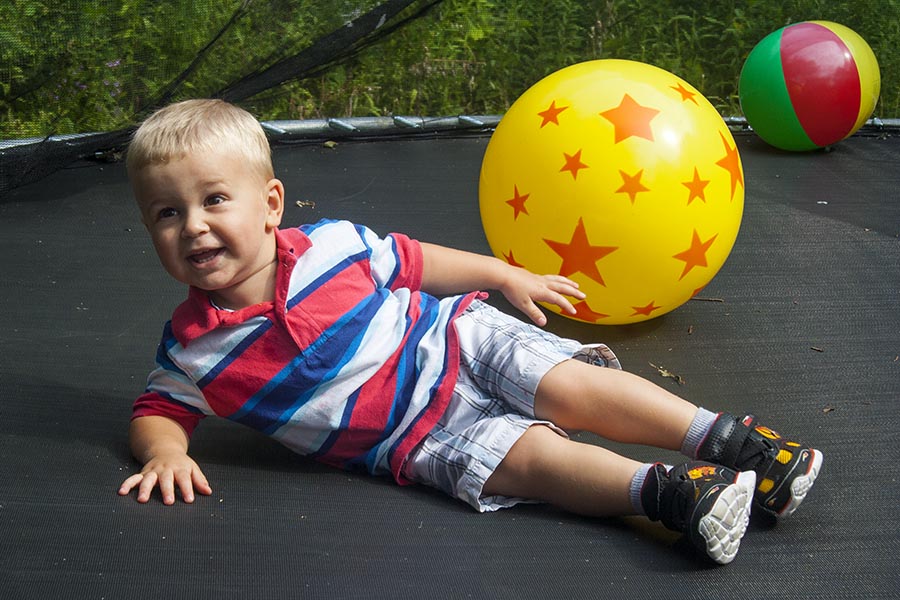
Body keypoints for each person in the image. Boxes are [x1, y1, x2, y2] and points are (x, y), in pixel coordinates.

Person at [118, 99, 822, 565]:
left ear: (271, 204)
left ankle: (737, 444)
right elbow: (158, 409)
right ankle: (673, 492)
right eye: (167, 214)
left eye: (214, 200)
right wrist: (164, 455)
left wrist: (501, 273)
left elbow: (417, 262)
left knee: (571, 387)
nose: (195, 226)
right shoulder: (195, 350)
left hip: (454, 341)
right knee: (533, 462)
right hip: (410, 437)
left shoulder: (333, 245)